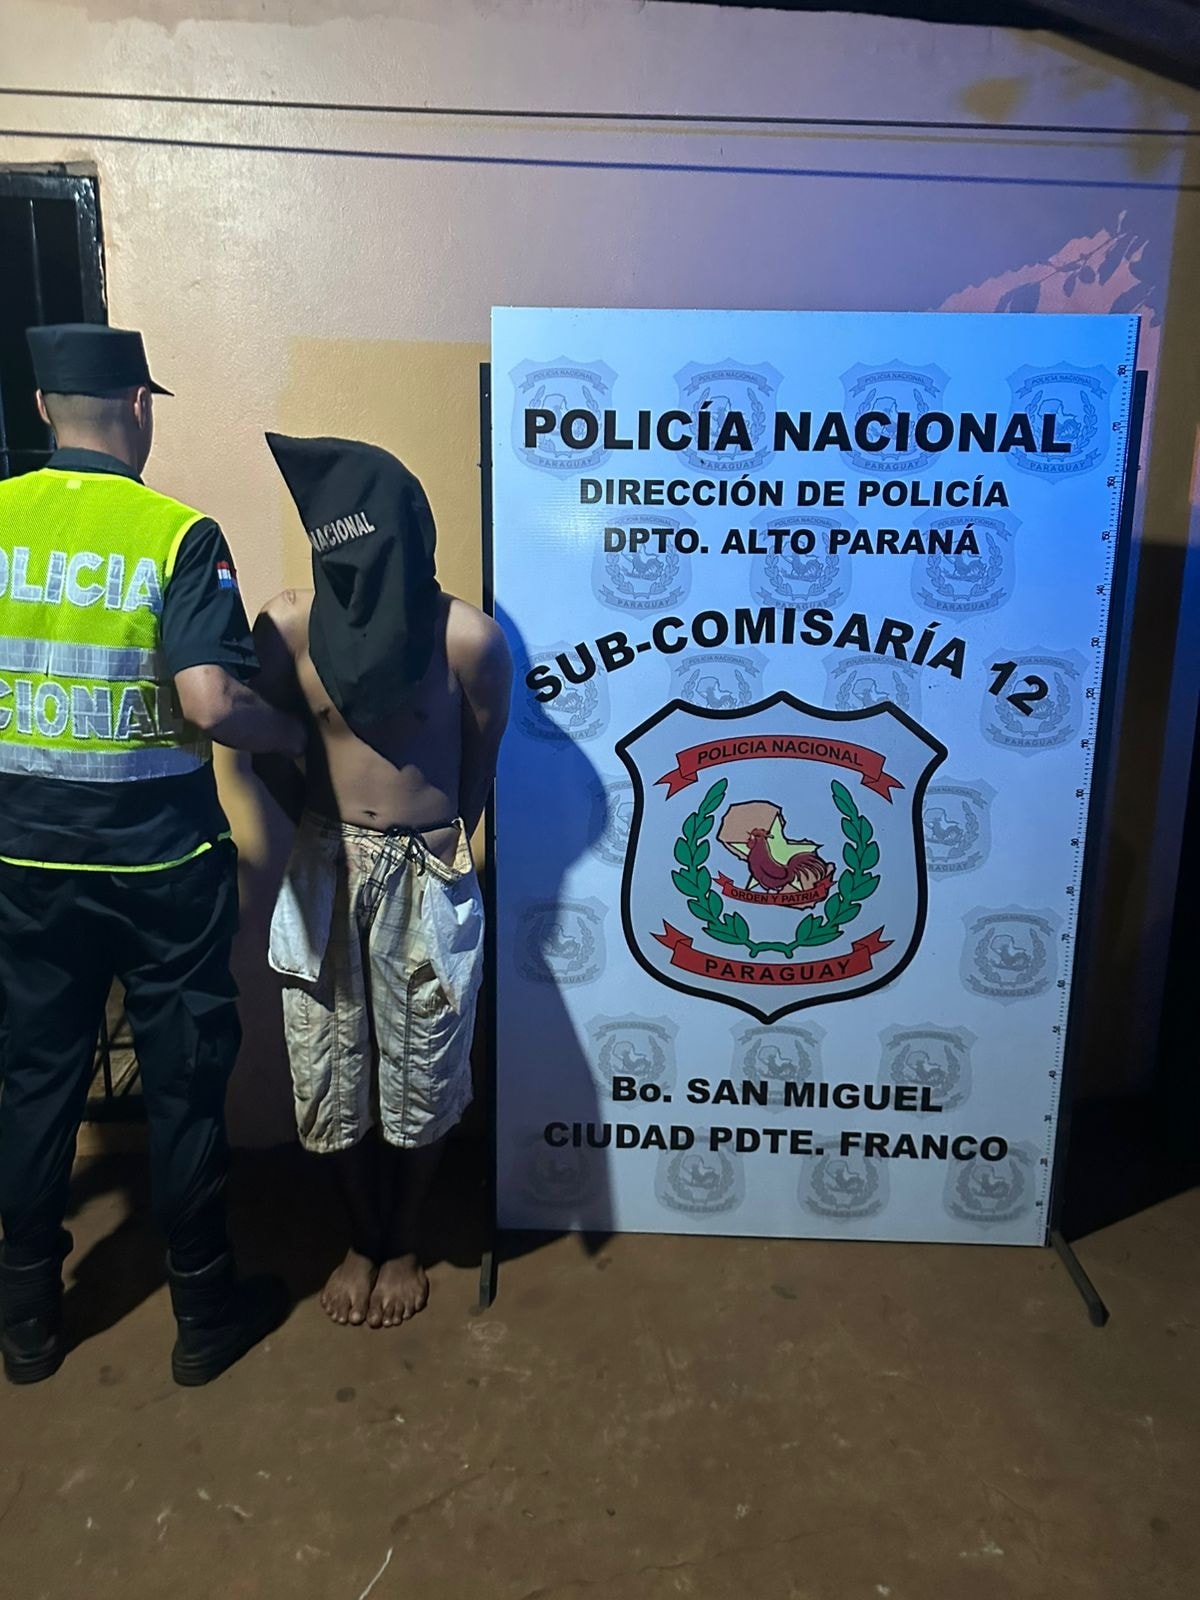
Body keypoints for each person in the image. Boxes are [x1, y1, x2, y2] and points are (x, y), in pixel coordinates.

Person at [0, 324, 307, 1387]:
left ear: (43, 408)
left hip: (25, 865)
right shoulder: (175, 535)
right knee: (182, 1081)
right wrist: (293, 735)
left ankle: (29, 1318)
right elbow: (212, 702)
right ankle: (203, 1312)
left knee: (36, 1075)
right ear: (139, 406)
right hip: (159, 869)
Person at [251, 432, 511, 1329]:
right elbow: (263, 742)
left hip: (427, 867)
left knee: (425, 1065)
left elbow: (479, 760)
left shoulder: (466, 639)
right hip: (324, 866)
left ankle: (401, 1238)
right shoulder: (289, 628)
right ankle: (361, 1237)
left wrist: (436, 847)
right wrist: (318, 827)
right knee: (326, 1064)